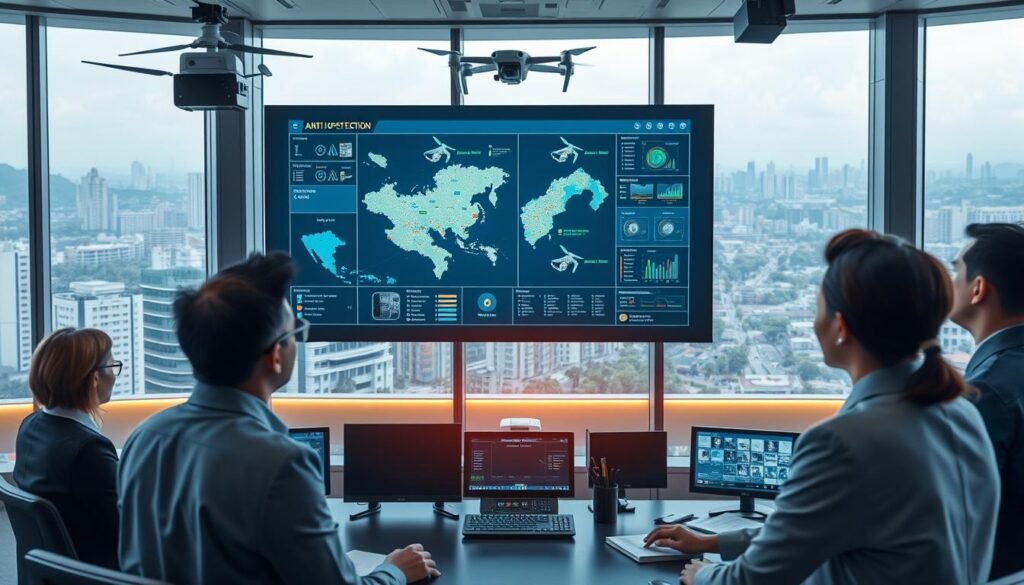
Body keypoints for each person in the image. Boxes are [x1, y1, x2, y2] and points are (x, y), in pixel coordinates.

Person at [644, 229, 999, 585]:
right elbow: (813, 528)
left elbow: (751, 580)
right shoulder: (962, 415)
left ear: (840, 326)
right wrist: (715, 542)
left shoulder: (841, 442)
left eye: (818, 310)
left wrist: (703, 575)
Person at [118, 253, 439, 584]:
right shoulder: (281, 463)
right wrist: (394, 570)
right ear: (275, 355)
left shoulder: (144, 438)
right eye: (293, 332)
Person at [949, 222, 1024, 580]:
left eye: (956, 272)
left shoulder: (985, 392)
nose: (950, 283)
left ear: (978, 288)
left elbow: (957, 518)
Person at [14, 328, 121, 569]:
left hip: (56, 570)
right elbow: (129, 529)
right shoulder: (88, 450)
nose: (115, 376)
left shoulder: (30, 426)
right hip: (99, 572)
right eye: (113, 367)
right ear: (94, 379)